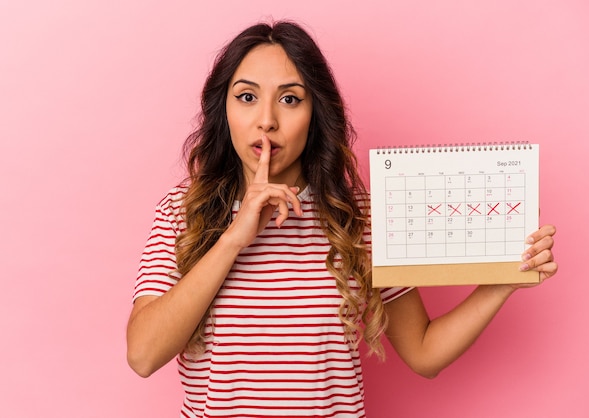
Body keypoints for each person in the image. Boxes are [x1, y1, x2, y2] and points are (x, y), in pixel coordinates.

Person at [126, 20, 558, 417]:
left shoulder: (360, 219)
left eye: (290, 99)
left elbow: (425, 353)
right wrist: (233, 239)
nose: (267, 121)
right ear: (225, 110)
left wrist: (504, 280)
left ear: (316, 115)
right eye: (247, 97)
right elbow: (143, 355)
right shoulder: (184, 211)